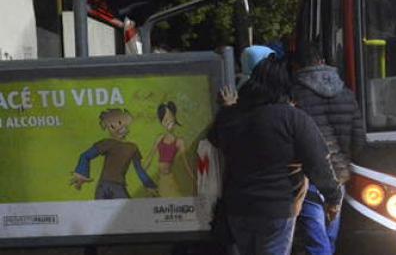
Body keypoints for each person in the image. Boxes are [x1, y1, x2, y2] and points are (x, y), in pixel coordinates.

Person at [209, 52, 342, 255]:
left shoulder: (232, 116)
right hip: (277, 208)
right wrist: (333, 198)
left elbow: (214, 138)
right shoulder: (293, 119)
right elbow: (318, 164)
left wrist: (227, 108)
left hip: (238, 208)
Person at [291, 43, 364, 255]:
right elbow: (358, 139)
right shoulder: (346, 93)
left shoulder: (295, 96)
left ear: (296, 67)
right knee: (330, 236)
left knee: (316, 240)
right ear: (322, 62)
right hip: (339, 175)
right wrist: (343, 160)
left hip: (310, 176)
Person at [71, 109, 158, 199]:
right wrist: (81, 174)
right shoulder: (107, 143)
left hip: (117, 187)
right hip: (104, 186)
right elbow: (85, 156)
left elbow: (139, 169)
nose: (118, 128)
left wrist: (149, 185)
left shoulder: (132, 147)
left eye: (120, 123)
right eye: (112, 126)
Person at [143, 101, 195, 197]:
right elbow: (149, 159)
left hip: (170, 179)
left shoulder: (179, 141)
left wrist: (193, 178)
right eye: (165, 120)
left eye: (170, 118)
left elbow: (185, 164)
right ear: (162, 122)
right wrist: (142, 174)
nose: (168, 122)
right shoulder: (159, 138)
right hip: (160, 179)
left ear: (174, 118)